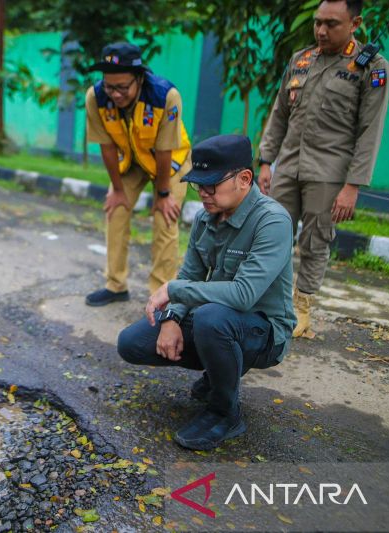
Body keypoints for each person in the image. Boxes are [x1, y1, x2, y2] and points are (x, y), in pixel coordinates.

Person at [117, 135, 296, 451]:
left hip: (263, 332)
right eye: (198, 185)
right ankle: (219, 373)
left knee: (212, 318)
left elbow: (243, 295)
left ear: (244, 179)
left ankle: (225, 412)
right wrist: (172, 317)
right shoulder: (205, 217)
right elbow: (191, 275)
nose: (203, 193)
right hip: (220, 323)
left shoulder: (273, 221)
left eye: (211, 185)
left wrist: (173, 290)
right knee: (132, 343)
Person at [258, 0, 389, 338]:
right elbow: (279, 115)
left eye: (331, 23)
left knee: (315, 241)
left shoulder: (372, 68)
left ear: (355, 23)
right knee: (273, 235)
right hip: (288, 165)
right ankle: (270, 303)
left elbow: (369, 130)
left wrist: (353, 185)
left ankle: (301, 309)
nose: (321, 30)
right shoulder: (301, 60)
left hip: (329, 172)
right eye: (318, 22)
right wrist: (265, 162)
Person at [83, 42, 192, 307]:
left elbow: (165, 148)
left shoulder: (166, 95)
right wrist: (118, 190)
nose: (115, 94)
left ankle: (162, 293)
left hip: (171, 163)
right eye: (110, 86)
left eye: (122, 87)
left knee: (165, 219)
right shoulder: (96, 97)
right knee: (116, 211)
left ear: (139, 78)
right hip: (131, 161)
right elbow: (106, 146)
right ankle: (115, 285)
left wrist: (163, 193)